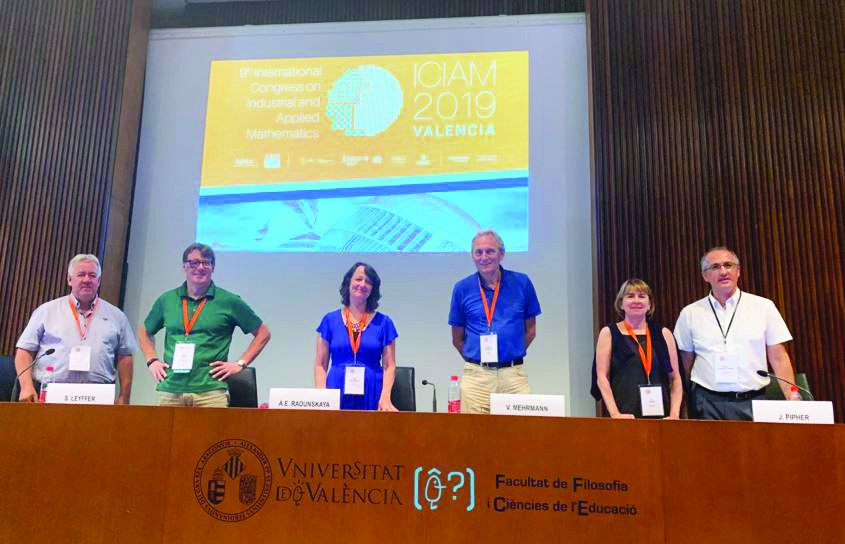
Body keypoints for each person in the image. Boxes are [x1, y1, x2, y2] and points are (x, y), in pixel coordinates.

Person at [674, 247, 800, 421]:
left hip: (754, 402)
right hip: (706, 404)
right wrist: (684, 401)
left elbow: (779, 358)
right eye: (715, 267)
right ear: (705, 276)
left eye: (728, 265)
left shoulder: (763, 307)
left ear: (738, 271)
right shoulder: (690, 313)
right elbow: (685, 361)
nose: (723, 271)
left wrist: (794, 398)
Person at [138, 243, 271, 407]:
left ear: (212, 267)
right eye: (194, 263)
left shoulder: (229, 301)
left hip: (211, 393)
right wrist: (152, 360)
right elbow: (145, 330)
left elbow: (263, 333)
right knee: (166, 434)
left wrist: (240, 364)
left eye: (206, 263)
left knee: (213, 434)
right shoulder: (167, 300)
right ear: (184, 267)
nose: (200, 267)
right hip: (170, 390)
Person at [14, 254, 136, 403]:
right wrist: (26, 386)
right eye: (81, 275)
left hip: (98, 397)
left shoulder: (117, 316)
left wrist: (124, 395)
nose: (86, 280)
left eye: (92, 275)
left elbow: (125, 357)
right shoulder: (47, 311)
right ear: (69, 279)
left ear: (98, 281)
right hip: (50, 394)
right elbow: (24, 350)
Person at [448, 229, 541, 414]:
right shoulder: (462, 288)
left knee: (520, 435)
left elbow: (530, 331)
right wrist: (478, 361)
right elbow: (457, 338)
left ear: (501, 254)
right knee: (475, 436)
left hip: (513, 375)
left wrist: (509, 353)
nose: (484, 257)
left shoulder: (522, 283)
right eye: (478, 252)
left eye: (490, 251)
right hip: (477, 377)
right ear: (473, 256)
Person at [591, 279, 682, 419]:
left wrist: (674, 415)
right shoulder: (609, 333)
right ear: (621, 303)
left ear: (649, 304)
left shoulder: (664, 334)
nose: (636, 301)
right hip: (623, 417)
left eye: (642, 296)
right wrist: (615, 414)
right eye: (630, 296)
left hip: (662, 420)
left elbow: (675, 379)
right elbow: (602, 378)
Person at [314, 263, 398, 411]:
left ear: (373, 289)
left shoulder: (384, 323)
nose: (362, 284)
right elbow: (320, 364)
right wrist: (322, 398)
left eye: (368, 281)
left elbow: (389, 365)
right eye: (358, 279)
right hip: (336, 389)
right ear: (348, 283)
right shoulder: (329, 320)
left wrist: (385, 397)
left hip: (372, 391)